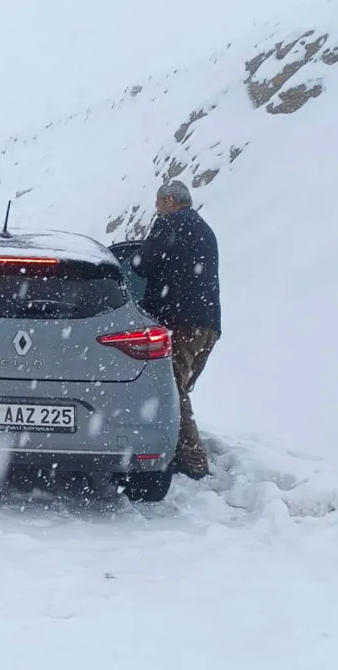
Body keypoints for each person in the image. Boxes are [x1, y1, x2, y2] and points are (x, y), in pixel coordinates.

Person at [135, 180, 220, 480]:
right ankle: (182, 452)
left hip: (180, 322)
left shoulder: (167, 224)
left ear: (169, 201)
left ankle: (194, 462)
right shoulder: (205, 229)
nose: (156, 208)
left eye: (158, 202)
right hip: (208, 324)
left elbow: (141, 264)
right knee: (180, 388)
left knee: (172, 390)